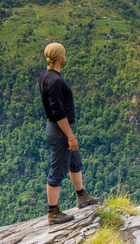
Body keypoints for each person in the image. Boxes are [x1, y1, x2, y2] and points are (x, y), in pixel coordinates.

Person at [39, 43, 98, 224]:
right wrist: (70, 136)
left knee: (75, 160)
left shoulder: (46, 76)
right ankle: (53, 212)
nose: (66, 57)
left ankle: (82, 196)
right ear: (59, 58)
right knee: (57, 170)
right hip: (60, 130)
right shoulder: (55, 81)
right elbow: (58, 112)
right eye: (64, 54)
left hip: (58, 128)